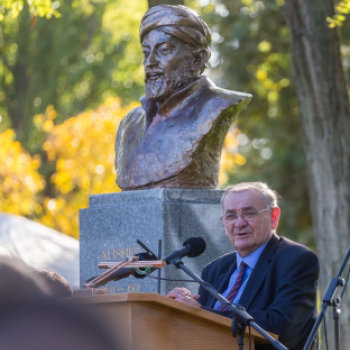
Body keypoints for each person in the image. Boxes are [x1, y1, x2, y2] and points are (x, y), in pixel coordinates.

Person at [167, 182, 319, 350]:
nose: (239, 223)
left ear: (273, 217)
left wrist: (201, 312)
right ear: (224, 223)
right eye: (231, 216)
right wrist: (180, 307)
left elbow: (279, 329)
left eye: (249, 213)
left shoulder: (296, 260)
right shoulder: (214, 269)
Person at [115, 5, 252, 191]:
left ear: (198, 59)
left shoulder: (217, 106)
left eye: (163, 51)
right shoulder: (130, 123)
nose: (150, 63)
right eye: (146, 52)